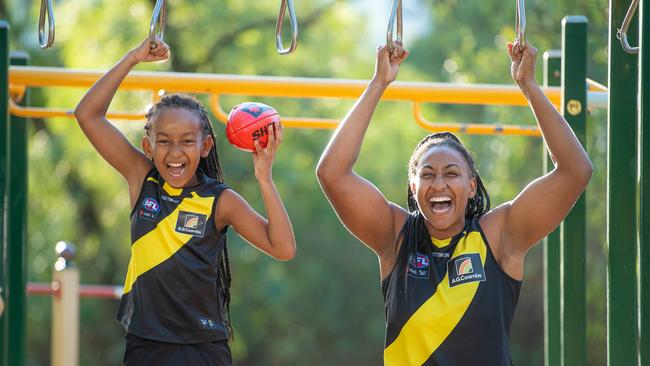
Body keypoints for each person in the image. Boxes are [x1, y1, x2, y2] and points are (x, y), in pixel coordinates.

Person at [316, 39, 592, 365]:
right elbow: (332, 173)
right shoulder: (397, 236)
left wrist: (528, 85)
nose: (439, 184)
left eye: (451, 173)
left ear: (471, 186)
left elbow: (576, 171)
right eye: (428, 174)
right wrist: (379, 83)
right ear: (413, 187)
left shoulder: (498, 236)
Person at [74, 38, 296, 366]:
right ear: (148, 148)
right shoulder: (141, 177)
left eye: (187, 142)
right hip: (146, 343)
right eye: (164, 142)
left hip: (203, 347)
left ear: (205, 146)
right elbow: (87, 115)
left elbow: (284, 248)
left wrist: (264, 177)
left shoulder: (221, 200)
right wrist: (133, 58)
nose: (175, 152)